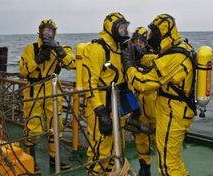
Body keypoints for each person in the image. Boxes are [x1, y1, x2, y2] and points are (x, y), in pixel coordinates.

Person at [121, 14, 196, 176]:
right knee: (172, 159)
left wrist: (129, 65)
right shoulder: (178, 48)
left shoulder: (175, 56)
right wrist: (142, 56)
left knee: (168, 165)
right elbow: (158, 60)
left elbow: (143, 83)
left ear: (162, 33)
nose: (150, 38)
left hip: (173, 113)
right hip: (171, 111)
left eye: (153, 34)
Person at [19, 19, 75, 174]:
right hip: (33, 91)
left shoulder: (61, 48)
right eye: (45, 31)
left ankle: (54, 157)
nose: (47, 34)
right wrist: (38, 59)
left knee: (55, 125)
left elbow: (72, 64)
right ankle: (31, 159)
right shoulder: (31, 49)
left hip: (53, 91)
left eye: (51, 31)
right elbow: (23, 71)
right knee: (33, 126)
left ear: (55, 33)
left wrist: (59, 50)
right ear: (40, 32)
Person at [82, 12, 130, 175]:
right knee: (100, 149)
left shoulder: (121, 48)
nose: (124, 31)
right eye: (121, 27)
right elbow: (89, 82)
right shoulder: (97, 49)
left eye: (125, 27)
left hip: (117, 104)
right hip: (101, 105)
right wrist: (100, 110)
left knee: (115, 147)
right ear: (112, 28)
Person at [130, 27, 158, 176]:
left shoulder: (155, 58)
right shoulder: (129, 60)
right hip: (138, 107)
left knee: (160, 141)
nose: (138, 44)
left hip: (155, 106)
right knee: (140, 139)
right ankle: (144, 166)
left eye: (141, 41)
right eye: (136, 41)